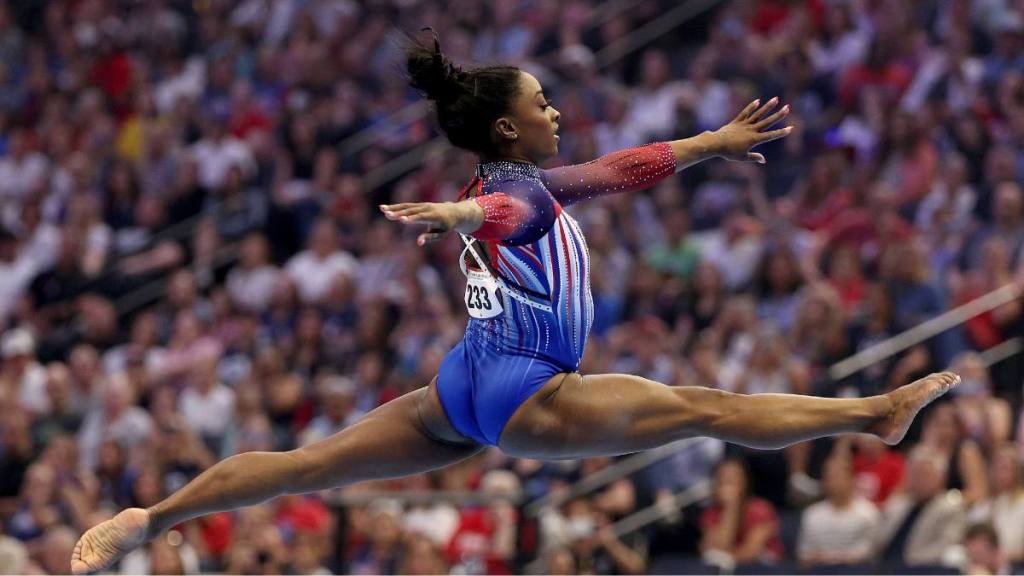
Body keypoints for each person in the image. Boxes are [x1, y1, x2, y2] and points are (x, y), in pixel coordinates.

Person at [69, 30, 959, 574]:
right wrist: (459, 212)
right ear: (507, 126)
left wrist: (710, 142)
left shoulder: (532, 182)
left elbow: (620, 168)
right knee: (704, 409)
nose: (556, 110)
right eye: (543, 102)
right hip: (529, 392)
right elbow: (500, 210)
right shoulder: (518, 196)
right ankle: (875, 412)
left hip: (464, 382)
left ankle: (149, 520)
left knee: (307, 465)